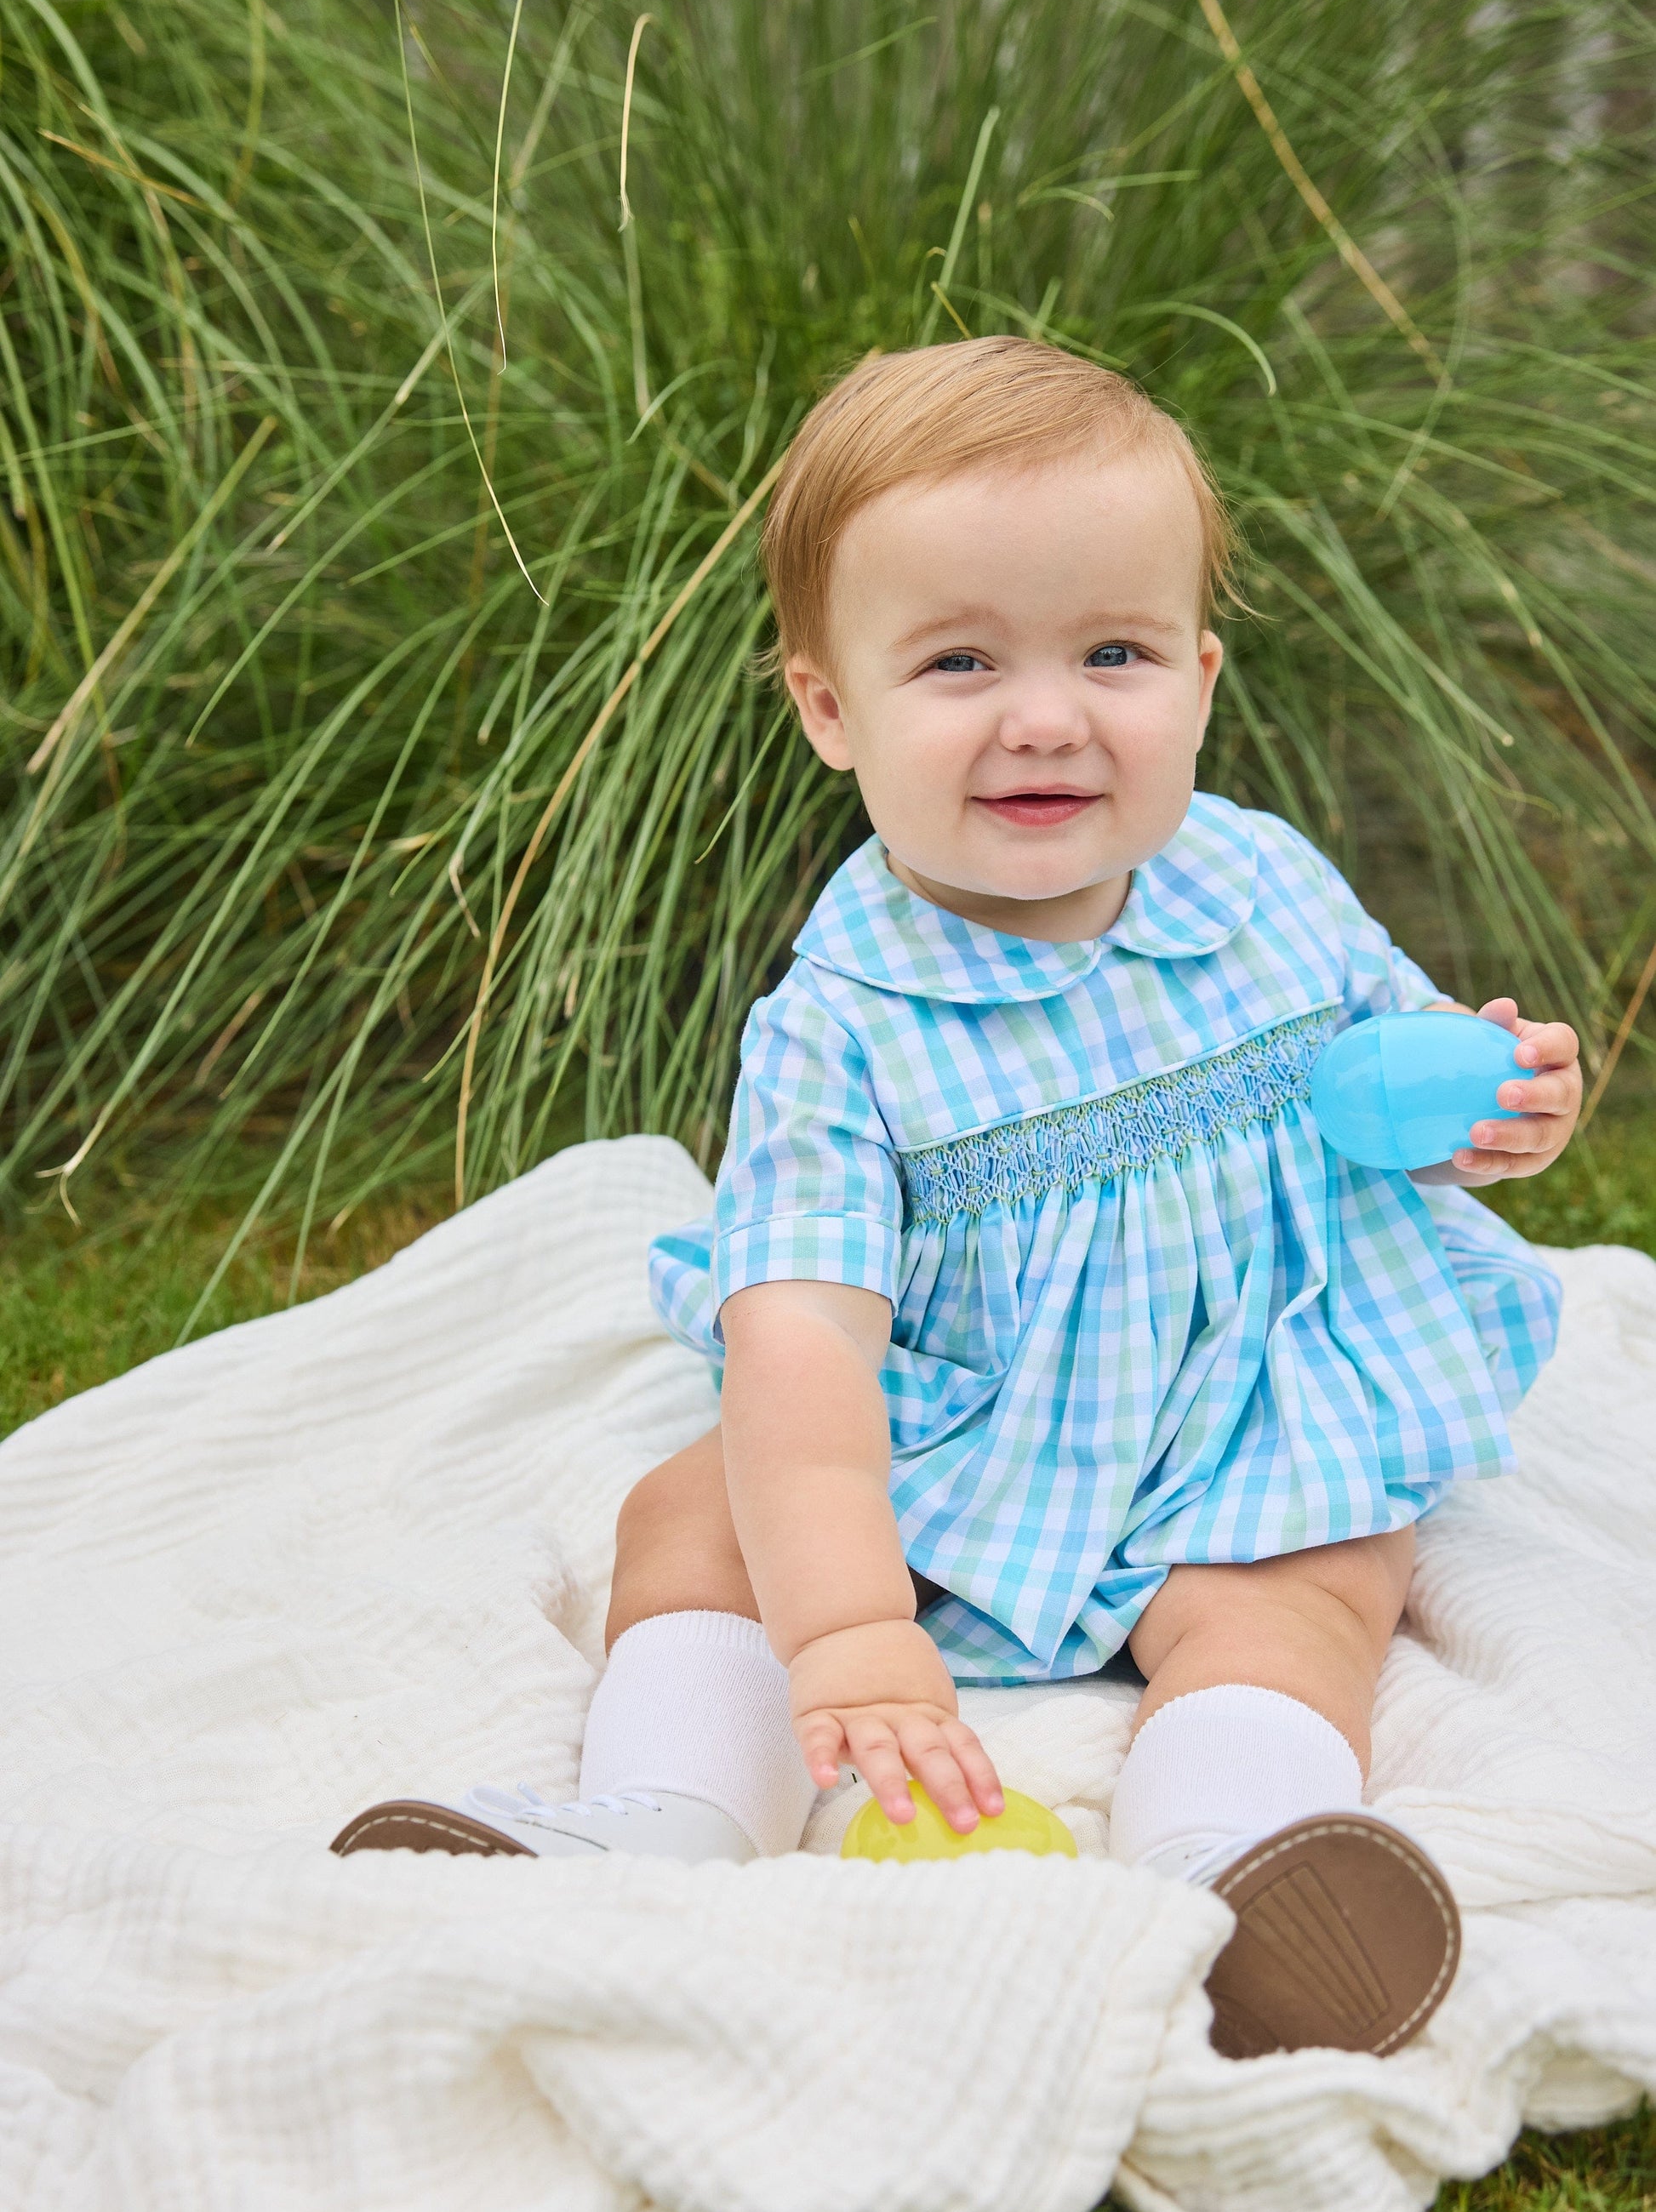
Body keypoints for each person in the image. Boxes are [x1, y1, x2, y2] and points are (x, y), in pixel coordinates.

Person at [334, 338, 1579, 2057]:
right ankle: (663, 1817)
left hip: (1238, 1399)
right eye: (960, 659)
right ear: (830, 707)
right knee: (696, 1516)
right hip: (948, 1420)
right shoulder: (846, 1027)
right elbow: (801, 1352)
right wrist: (845, 1629)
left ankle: (1235, 1869)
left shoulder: (1266, 883)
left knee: (1311, 1577)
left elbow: (1379, 1082)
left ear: (1200, 678)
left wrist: (1482, 1103)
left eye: (1115, 652)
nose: (1048, 714)